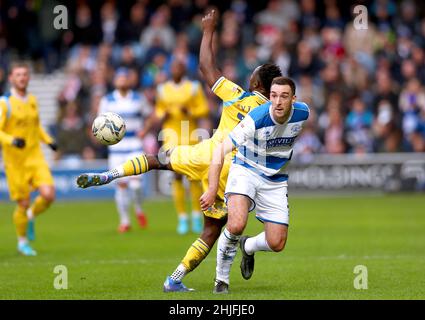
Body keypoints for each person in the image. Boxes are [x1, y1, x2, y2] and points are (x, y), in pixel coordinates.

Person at [76, 10, 282, 292]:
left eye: (253, 75)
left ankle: (110, 174)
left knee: (157, 160)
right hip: (234, 174)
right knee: (211, 231)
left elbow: (206, 67)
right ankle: (175, 278)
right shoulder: (274, 112)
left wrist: (209, 31)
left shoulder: (237, 95)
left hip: (205, 152)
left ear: (256, 83)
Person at [200, 77, 309, 293]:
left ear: (293, 99)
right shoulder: (256, 118)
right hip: (245, 170)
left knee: (277, 243)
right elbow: (219, 150)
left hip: (275, 180)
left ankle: (248, 246)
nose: (278, 102)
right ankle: (221, 280)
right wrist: (212, 189)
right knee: (237, 224)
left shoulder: (303, 113)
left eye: (284, 96)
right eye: (274, 96)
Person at [0, 62, 58, 256]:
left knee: (49, 195)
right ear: (11, 79)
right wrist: (11, 140)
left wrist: (49, 141)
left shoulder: (32, 99)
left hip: (35, 157)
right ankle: (22, 242)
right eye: (18, 75)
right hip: (15, 162)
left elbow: (37, 126)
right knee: (22, 203)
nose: (22, 78)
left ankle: (32, 215)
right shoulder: (4, 102)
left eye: (25, 74)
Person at [155, 58, 209, 235]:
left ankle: (195, 215)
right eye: (173, 67)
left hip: (190, 135)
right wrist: (164, 113)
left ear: (184, 69)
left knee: (193, 177)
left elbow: (204, 108)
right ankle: (182, 218)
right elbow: (158, 111)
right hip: (170, 135)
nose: (175, 70)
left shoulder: (193, 87)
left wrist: (191, 112)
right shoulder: (162, 89)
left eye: (179, 67)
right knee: (176, 175)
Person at [98, 67, 154, 233]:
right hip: (116, 149)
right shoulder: (107, 100)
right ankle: (125, 221)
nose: (122, 80)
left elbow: (150, 116)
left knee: (136, 185)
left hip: (135, 145)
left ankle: (138, 208)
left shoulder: (138, 98)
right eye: (119, 77)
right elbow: (99, 123)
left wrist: (145, 130)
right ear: (115, 81)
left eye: (125, 77)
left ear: (129, 80)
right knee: (121, 185)